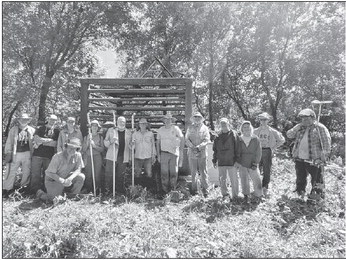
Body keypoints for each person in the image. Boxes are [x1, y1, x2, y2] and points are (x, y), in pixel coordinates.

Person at [286, 108, 331, 199]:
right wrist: (297, 127)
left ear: (313, 118)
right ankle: (300, 192)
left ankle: (317, 195)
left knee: (317, 179)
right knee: (300, 177)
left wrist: (322, 158)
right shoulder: (300, 128)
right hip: (299, 158)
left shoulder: (320, 128)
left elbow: (326, 144)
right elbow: (289, 135)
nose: (304, 120)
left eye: (306, 118)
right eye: (302, 119)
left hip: (314, 159)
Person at [36, 138, 85, 202]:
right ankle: (40, 193)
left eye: (75, 148)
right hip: (53, 180)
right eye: (70, 147)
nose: (72, 150)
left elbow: (78, 169)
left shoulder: (78, 155)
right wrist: (62, 181)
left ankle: (73, 196)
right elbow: (49, 173)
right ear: (66, 147)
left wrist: (70, 179)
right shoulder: (58, 157)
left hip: (66, 178)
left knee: (81, 177)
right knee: (53, 200)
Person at [3, 113, 35, 196]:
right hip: (15, 153)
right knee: (11, 170)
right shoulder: (13, 129)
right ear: (19, 120)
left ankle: (23, 187)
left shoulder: (32, 130)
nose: (24, 120)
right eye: (22, 119)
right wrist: (8, 152)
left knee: (26, 171)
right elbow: (9, 142)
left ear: (28, 120)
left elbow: (34, 143)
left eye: (26, 119)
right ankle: (7, 188)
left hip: (27, 153)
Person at [254, 112, 285, 196]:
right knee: (256, 169)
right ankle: (257, 187)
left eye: (264, 119)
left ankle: (265, 187)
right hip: (257, 151)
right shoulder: (256, 130)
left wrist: (273, 147)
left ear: (267, 120)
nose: (263, 121)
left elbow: (282, 140)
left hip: (267, 151)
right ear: (259, 120)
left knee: (266, 170)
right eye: (261, 119)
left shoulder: (272, 131)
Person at [30, 114, 60, 194]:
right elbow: (36, 139)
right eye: (51, 119)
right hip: (37, 155)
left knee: (47, 174)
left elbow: (55, 143)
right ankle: (34, 191)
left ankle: (45, 190)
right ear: (48, 119)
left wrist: (41, 142)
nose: (52, 121)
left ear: (56, 121)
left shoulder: (57, 131)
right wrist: (49, 140)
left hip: (49, 156)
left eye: (54, 120)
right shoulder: (40, 128)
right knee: (35, 174)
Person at [212, 118, 239, 200]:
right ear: (220, 125)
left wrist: (237, 160)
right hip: (221, 161)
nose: (223, 125)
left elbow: (238, 148)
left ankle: (235, 196)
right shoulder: (217, 136)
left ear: (228, 123)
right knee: (222, 180)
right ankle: (225, 196)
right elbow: (215, 149)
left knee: (234, 180)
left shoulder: (234, 134)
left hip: (232, 161)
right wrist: (214, 160)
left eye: (225, 123)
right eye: (222, 123)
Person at [156, 113, 184, 194]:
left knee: (174, 173)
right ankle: (165, 192)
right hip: (164, 153)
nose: (168, 121)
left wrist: (181, 151)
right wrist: (158, 155)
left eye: (169, 119)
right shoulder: (160, 130)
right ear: (164, 121)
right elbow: (157, 143)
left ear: (172, 120)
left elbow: (182, 139)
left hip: (174, 154)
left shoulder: (176, 129)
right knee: (164, 173)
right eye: (166, 119)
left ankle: (172, 191)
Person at [104, 116, 132, 194]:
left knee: (121, 175)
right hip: (111, 156)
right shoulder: (111, 130)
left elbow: (130, 146)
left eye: (123, 122)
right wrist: (111, 141)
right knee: (109, 174)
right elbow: (105, 143)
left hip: (123, 156)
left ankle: (119, 191)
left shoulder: (129, 132)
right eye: (120, 121)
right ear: (117, 122)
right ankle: (109, 191)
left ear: (125, 123)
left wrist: (132, 144)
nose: (121, 123)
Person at [237, 121, 263, 203]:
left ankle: (258, 195)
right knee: (244, 180)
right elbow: (237, 152)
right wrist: (238, 162)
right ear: (242, 129)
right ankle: (246, 196)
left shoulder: (255, 139)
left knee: (257, 179)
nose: (246, 129)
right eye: (244, 127)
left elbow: (258, 152)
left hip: (253, 163)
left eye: (248, 127)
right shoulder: (239, 139)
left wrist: (256, 163)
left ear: (250, 128)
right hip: (242, 163)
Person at [186, 112, 210, 197]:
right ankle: (194, 190)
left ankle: (205, 191)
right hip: (192, 153)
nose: (197, 118)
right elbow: (186, 139)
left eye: (198, 117)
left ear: (201, 118)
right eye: (195, 117)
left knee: (203, 172)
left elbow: (207, 140)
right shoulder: (190, 128)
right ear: (193, 118)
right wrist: (192, 147)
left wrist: (199, 147)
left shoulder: (205, 128)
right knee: (193, 172)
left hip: (202, 153)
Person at [81, 120, 105, 194]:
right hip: (88, 156)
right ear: (90, 127)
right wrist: (88, 142)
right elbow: (83, 149)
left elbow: (102, 149)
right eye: (93, 126)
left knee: (97, 175)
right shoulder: (86, 136)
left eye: (96, 126)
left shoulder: (100, 137)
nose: (94, 127)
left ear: (98, 127)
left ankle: (97, 191)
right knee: (88, 175)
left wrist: (94, 146)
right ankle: (89, 191)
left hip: (97, 157)